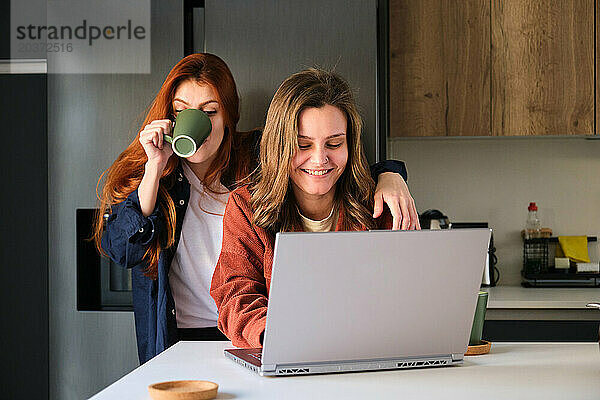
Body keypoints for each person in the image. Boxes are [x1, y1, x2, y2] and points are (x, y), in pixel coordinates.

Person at [94, 54, 418, 364]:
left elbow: (326, 162)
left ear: (229, 117)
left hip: (264, 337)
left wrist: (390, 174)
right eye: (183, 112)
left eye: (210, 112)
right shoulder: (160, 174)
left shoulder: (256, 159)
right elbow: (122, 250)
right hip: (186, 334)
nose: (197, 123)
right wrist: (154, 168)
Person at [211, 68, 405, 348]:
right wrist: (276, 336)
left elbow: (408, 293)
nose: (319, 159)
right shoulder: (246, 207)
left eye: (334, 143)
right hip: (285, 353)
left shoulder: (380, 204)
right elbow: (235, 294)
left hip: (369, 354)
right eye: (302, 145)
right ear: (279, 145)